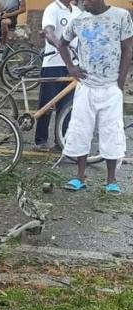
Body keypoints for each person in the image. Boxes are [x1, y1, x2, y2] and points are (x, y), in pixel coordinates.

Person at [58, 0, 133, 193]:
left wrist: (120, 82)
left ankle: (111, 181)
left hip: (111, 87)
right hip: (86, 86)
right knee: (81, 129)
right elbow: (62, 43)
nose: (83, 4)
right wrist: (71, 68)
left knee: (111, 132)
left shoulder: (121, 16)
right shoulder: (79, 20)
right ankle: (80, 176)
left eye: (87, 0)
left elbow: (127, 50)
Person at [33, 0, 80, 151]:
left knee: (67, 106)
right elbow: (48, 32)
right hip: (54, 64)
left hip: (72, 65)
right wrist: (61, 45)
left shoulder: (77, 11)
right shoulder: (52, 9)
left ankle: (62, 140)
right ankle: (41, 140)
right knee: (47, 104)